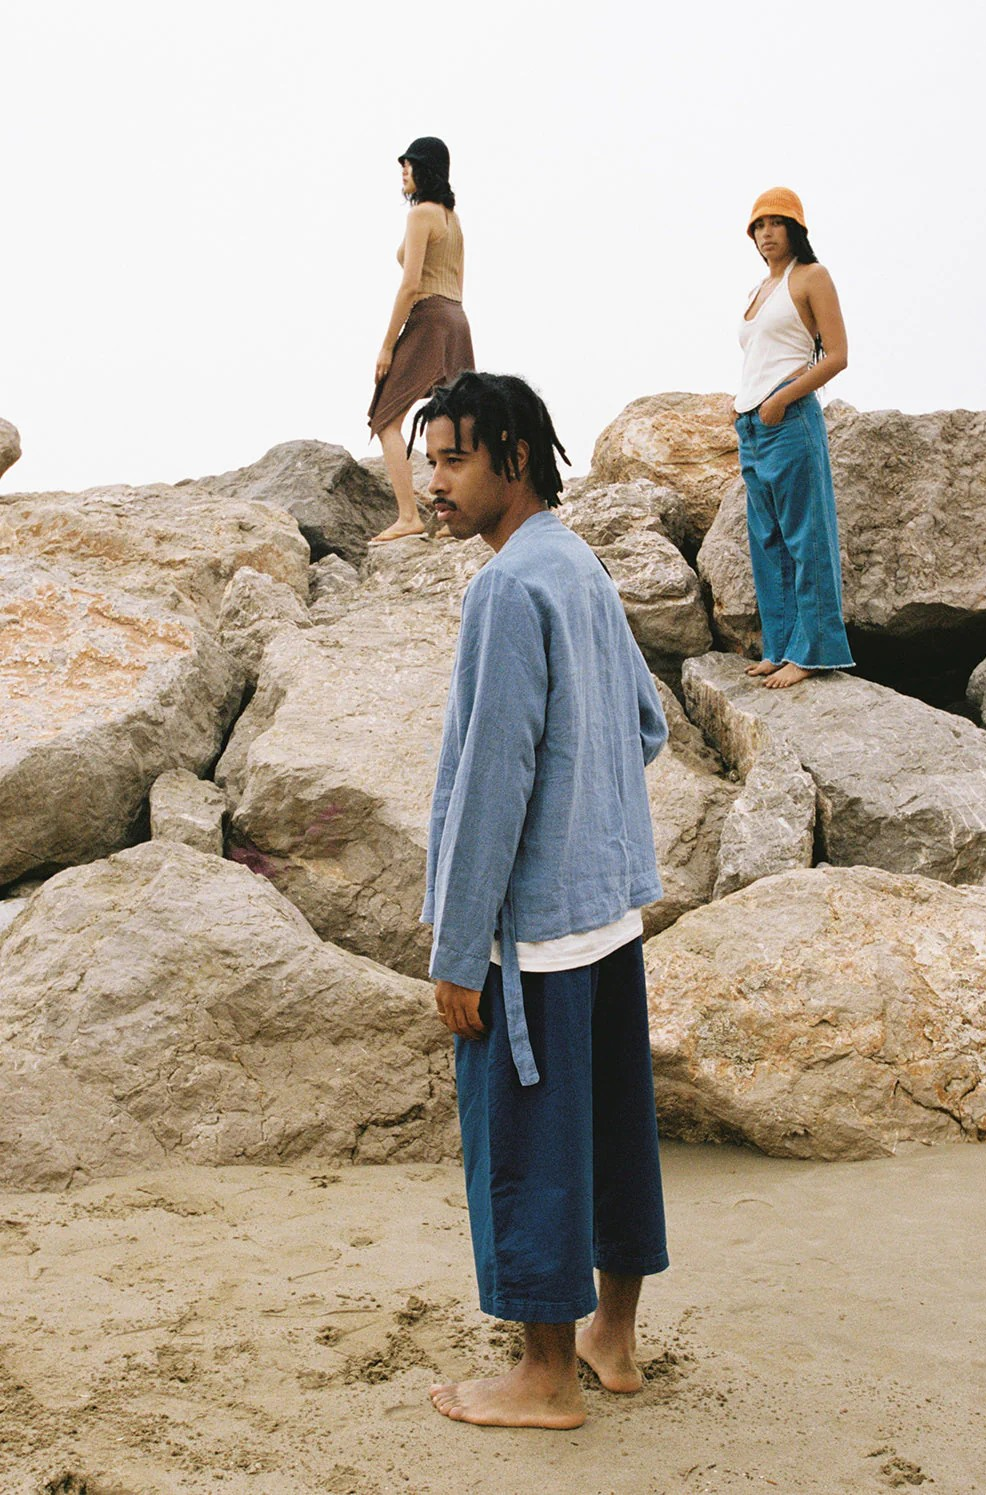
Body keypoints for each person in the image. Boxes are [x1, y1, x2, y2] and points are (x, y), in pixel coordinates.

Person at [413, 371, 669, 1429]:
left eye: (454, 459)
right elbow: (646, 723)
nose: (433, 483)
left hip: (536, 935)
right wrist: (587, 815)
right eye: (429, 460)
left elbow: (492, 782)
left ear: (513, 459)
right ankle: (613, 1338)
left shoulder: (508, 586)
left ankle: (545, 1377)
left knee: (528, 1147)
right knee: (612, 1134)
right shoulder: (577, 563)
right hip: (608, 908)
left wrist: (458, 948)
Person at [734, 187, 855, 688]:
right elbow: (761, 357)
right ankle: (780, 647)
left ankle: (814, 651)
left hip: (789, 418)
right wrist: (740, 403)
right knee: (768, 540)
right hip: (751, 424)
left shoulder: (811, 276)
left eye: (776, 223)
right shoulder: (758, 289)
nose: (766, 234)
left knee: (807, 535)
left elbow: (838, 355)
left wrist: (783, 397)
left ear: (795, 228)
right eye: (758, 226)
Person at [367, 137, 475, 543]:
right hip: (456, 318)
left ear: (426, 169)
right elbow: (459, 280)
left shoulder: (420, 215)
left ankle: (409, 516)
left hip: (429, 317)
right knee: (459, 422)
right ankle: (459, 517)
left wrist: (388, 345)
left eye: (409, 164)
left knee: (386, 418)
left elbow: (410, 285)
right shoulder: (452, 218)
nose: (403, 171)